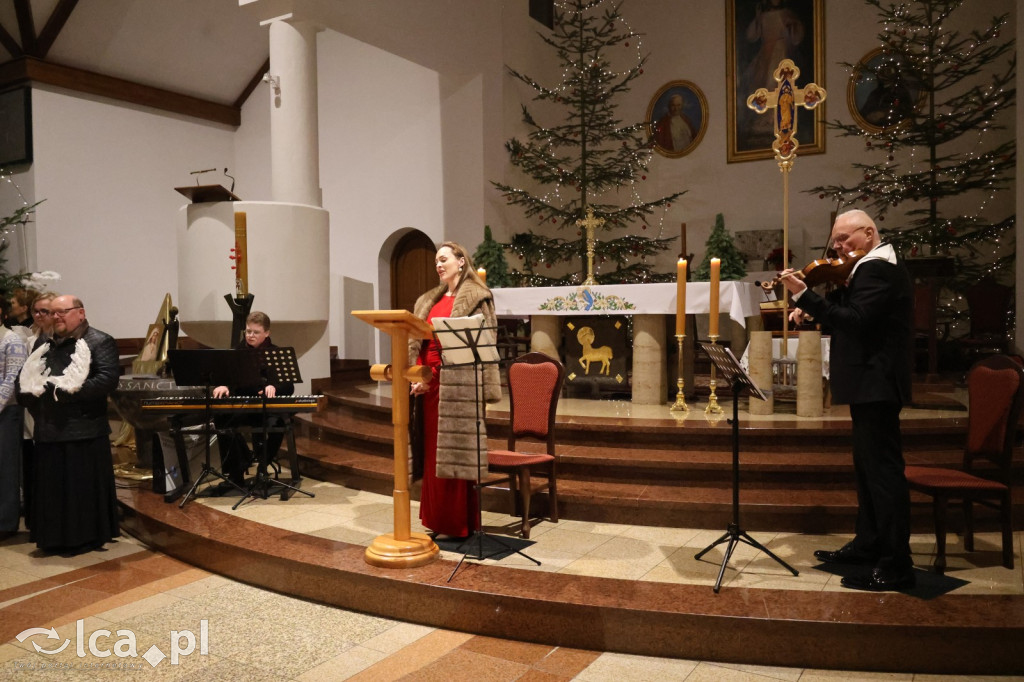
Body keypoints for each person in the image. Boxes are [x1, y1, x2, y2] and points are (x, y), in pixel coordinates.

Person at [780, 209, 915, 591]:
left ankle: (895, 566)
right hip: (869, 383)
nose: (837, 247)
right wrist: (814, 311)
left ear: (869, 233)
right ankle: (869, 544)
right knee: (867, 471)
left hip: (877, 382)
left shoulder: (878, 268)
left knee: (883, 475)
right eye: (835, 240)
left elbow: (857, 321)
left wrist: (805, 295)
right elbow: (858, 318)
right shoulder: (868, 266)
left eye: (844, 239)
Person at [409, 242, 501, 538]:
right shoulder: (427, 300)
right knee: (433, 453)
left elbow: (485, 340)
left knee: (454, 455)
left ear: (462, 262)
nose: (439, 264)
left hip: (459, 385)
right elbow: (418, 342)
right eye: (436, 260)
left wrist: (435, 375)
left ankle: (457, 522)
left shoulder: (477, 296)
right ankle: (436, 519)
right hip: (428, 386)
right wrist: (417, 376)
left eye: (444, 259)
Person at [16, 295, 120, 555]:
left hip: (83, 429)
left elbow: (106, 380)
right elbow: (31, 374)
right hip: (49, 427)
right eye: (53, 313)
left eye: (63, 312)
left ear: (81, 313)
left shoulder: (99, 340)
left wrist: (64, 392)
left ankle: (85, 538)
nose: (56, 317)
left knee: (80, 490)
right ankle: (53, 538)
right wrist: (30, 392)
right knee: (52, 489)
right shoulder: (45, 342)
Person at [212, 311, 294, 488]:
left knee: (280, 422)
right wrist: (224, 385)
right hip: (245, 407)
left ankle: (263, 468)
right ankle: (235, 474)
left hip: (267, 409)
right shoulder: (237, 353)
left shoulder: (276, 353)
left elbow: (289, 387)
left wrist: (275, 387)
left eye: (256, 332)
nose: (250, 335)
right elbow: (229, 379)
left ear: (266, 333)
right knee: (222, 418)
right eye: (248, 331)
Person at [21, 292, 58, 529]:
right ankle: (35, 518)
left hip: (54, 411)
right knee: (31, 463)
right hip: (30, 410)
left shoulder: (63, 340)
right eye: (36, 311)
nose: (39, 316)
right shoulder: (27, 340)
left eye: (45, 311)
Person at [0, 310, 27, 539]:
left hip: (7, 411)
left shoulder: (12, 340)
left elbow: (12, 378)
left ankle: (6, 523)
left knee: (6, 467)